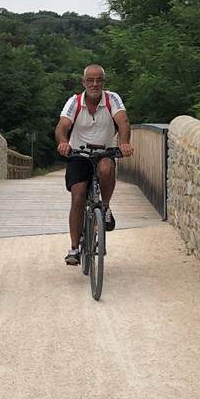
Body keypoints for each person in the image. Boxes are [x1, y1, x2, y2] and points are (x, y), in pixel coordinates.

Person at [54, 64, 134, 265]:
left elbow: (123, 122)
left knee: (107, 168)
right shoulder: (74, 102)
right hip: (78, 153)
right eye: (90, 80)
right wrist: (63, 142)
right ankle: (74, 248)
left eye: (99, 80)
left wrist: (124, 143)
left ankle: (105, 207)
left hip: (104, 152)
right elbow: (62, 125)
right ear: (84, 83)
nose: (95, 84)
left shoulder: (112, 99)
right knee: (78, 195)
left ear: (104, 83)